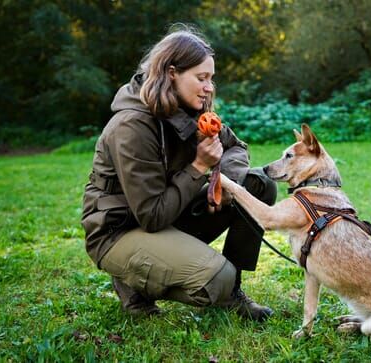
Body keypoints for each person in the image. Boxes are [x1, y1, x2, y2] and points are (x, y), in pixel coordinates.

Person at [81, 27, 277, 321]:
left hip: (172, 211)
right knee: (216, 279)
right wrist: (199, 167)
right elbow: (151, 215)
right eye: (202, 78)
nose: (209, 87)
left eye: (211, 78)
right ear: (172, 73)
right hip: (122, 230)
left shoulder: (192, 110)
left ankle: (232, 293)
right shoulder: (131, 126)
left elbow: (235, 147)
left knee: (258, 185)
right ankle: (134, 283)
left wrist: (221, 187)